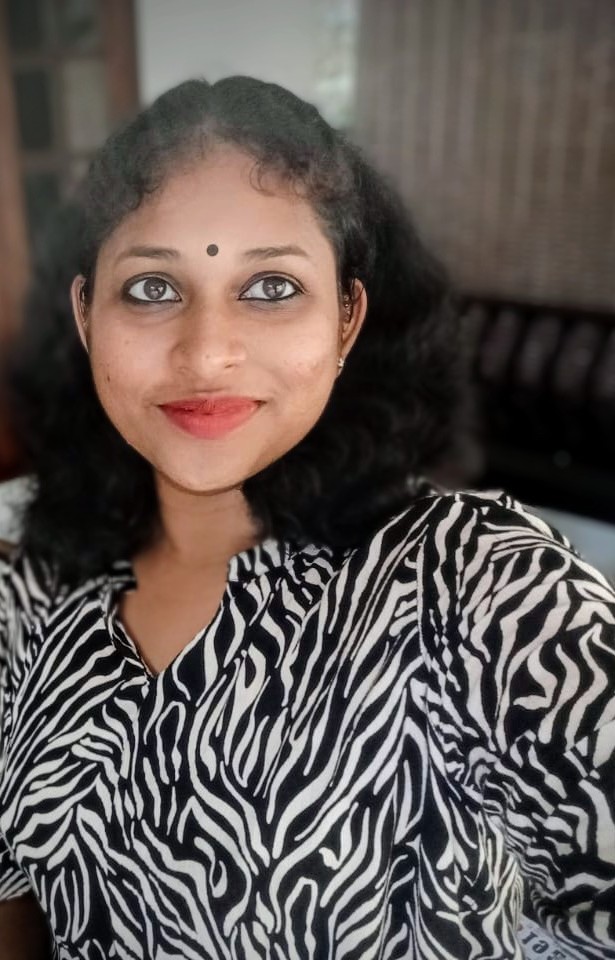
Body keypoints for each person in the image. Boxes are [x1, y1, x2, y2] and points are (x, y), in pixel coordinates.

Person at [0, 76, 613, 960]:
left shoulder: (493, 595)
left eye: (270, 286)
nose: (207, 353)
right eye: (152, 288)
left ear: (346, 321)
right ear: (86, 315)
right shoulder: (29, 592)